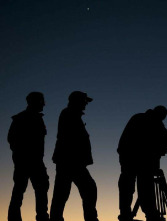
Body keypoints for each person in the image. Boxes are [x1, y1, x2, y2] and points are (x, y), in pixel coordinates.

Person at [118, 105, 167, 221]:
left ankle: (127, 213)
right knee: (144, 186)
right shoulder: (149, 121)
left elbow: (158, 137)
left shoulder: (143, 118)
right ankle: (150, 214)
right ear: (159, 114)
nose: (162, 120)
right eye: (162, 117)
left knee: (131, 185)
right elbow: (156, 138)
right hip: (138, 158)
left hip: (131, 157)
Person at [50, 91, 99, 221]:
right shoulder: (69, 114)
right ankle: (90, 218)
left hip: (71, 161)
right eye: (84, 101)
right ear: (77, 101)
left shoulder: (72, 115)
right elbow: (69, 138)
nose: (86, 104)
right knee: (86, 189)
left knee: (64, 192)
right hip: (70, 161)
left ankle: (57, 217)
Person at [7, 92, 49, 221]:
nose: (44, 104)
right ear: (35, 102)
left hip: (35, 160)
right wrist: (22, 156)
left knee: (40, 188)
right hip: (26, 161)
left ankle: (42, 216)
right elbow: (12, 139)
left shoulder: (37, 118)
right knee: (20, 189)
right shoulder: (21, 118)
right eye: (42, 101)